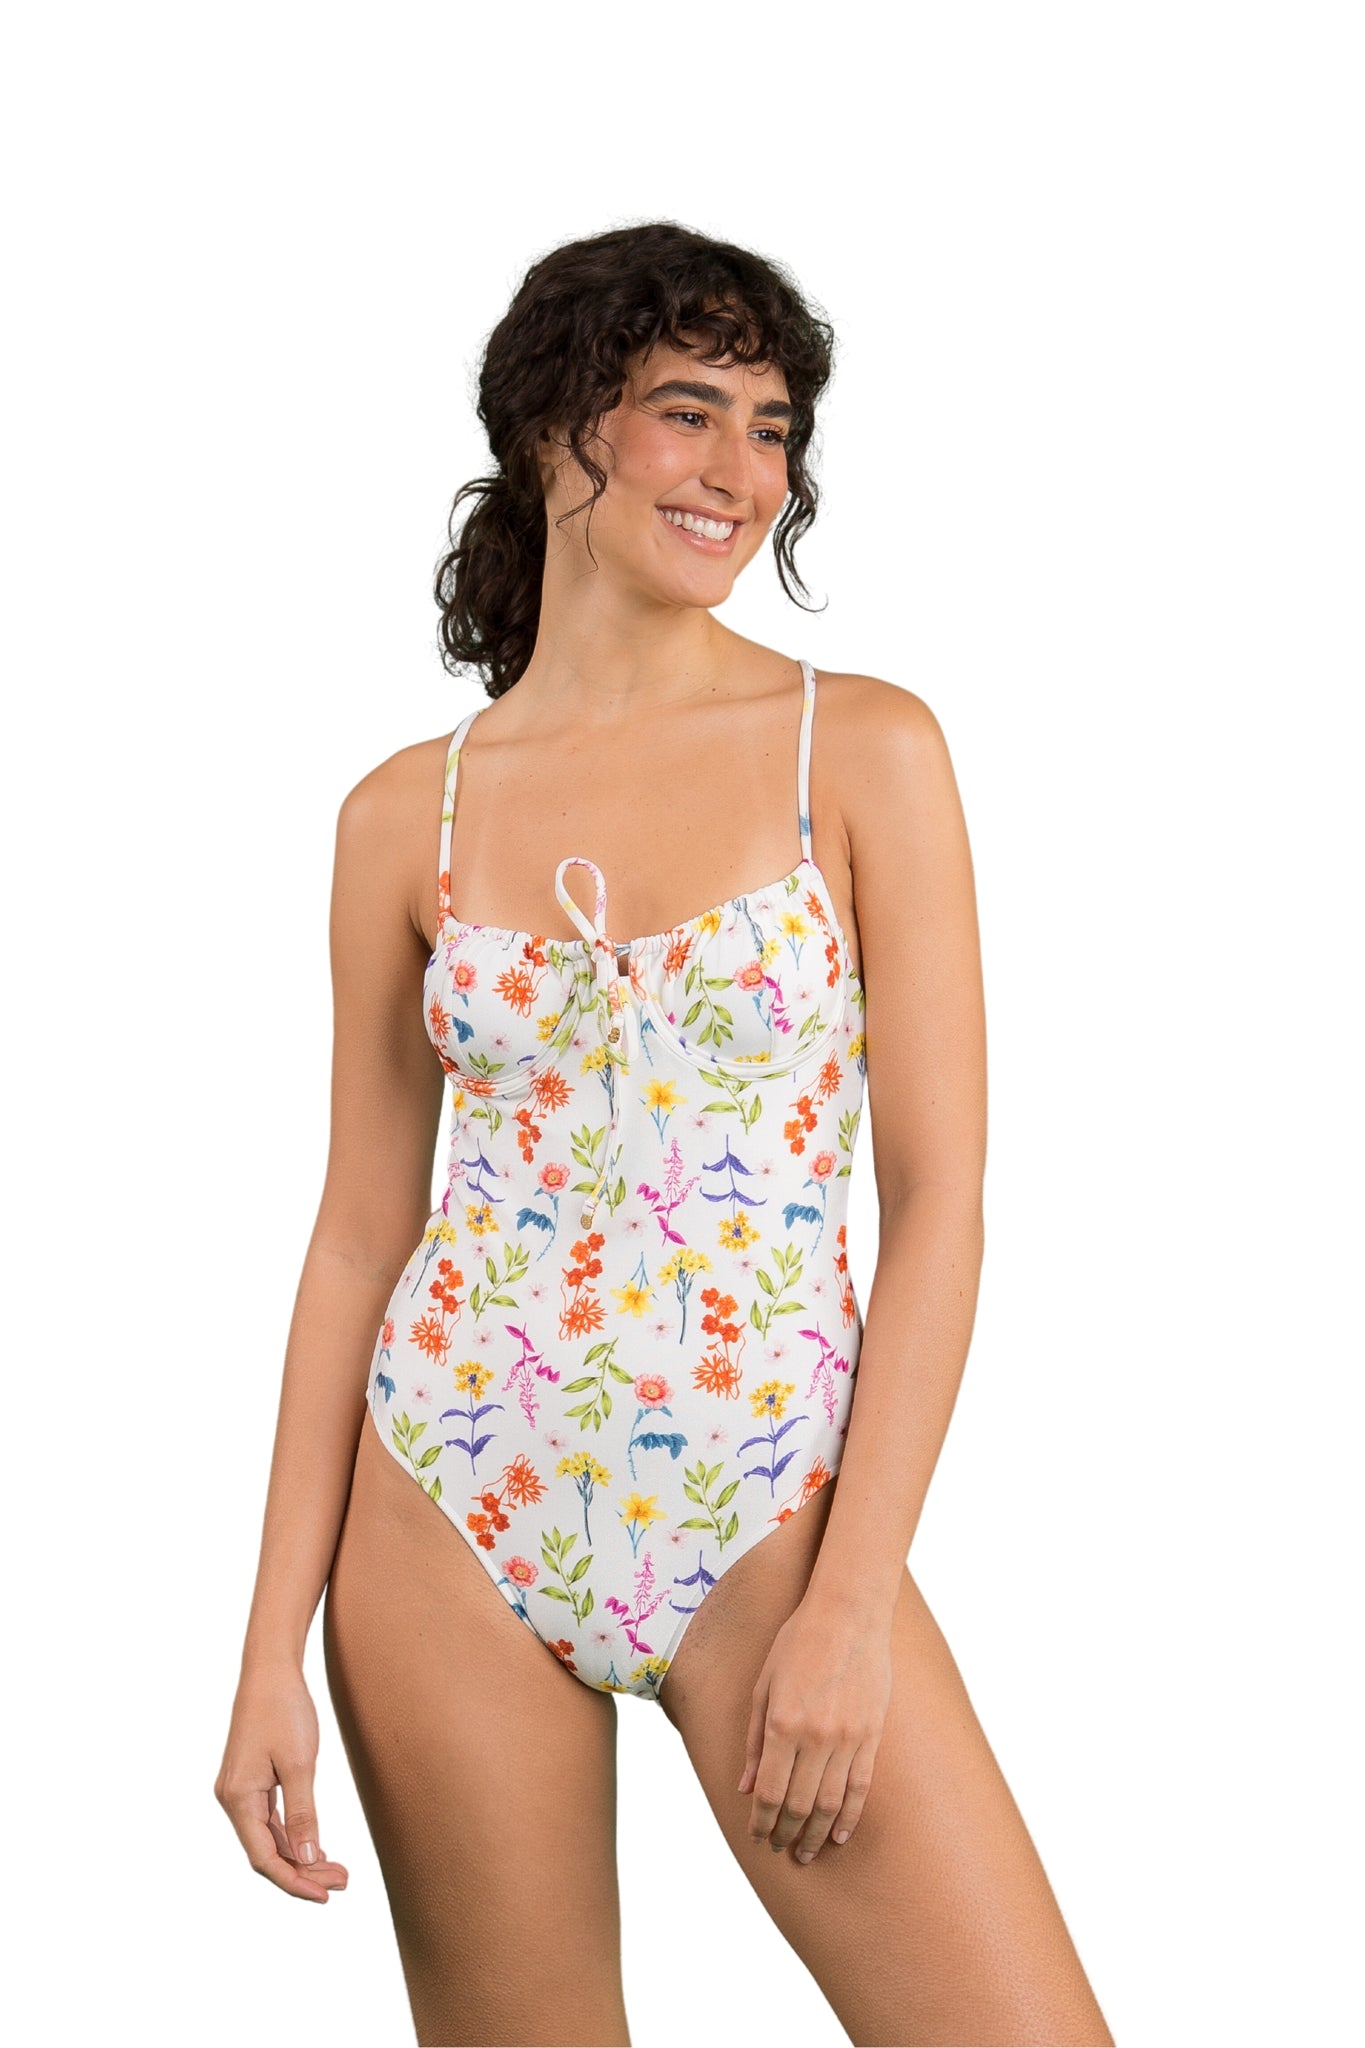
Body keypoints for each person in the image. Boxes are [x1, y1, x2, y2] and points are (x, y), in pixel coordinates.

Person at [215, 221, 1114, 2048]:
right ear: (557, 428)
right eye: (688, 412)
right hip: (447, 1509)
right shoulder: (404, 815)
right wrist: (264, 1654)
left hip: (768, 1511)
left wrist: (852, 1602)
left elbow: (939, 1199)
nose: (740, 472)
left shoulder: (857, 750)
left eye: (770, 428)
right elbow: (357, 1237)